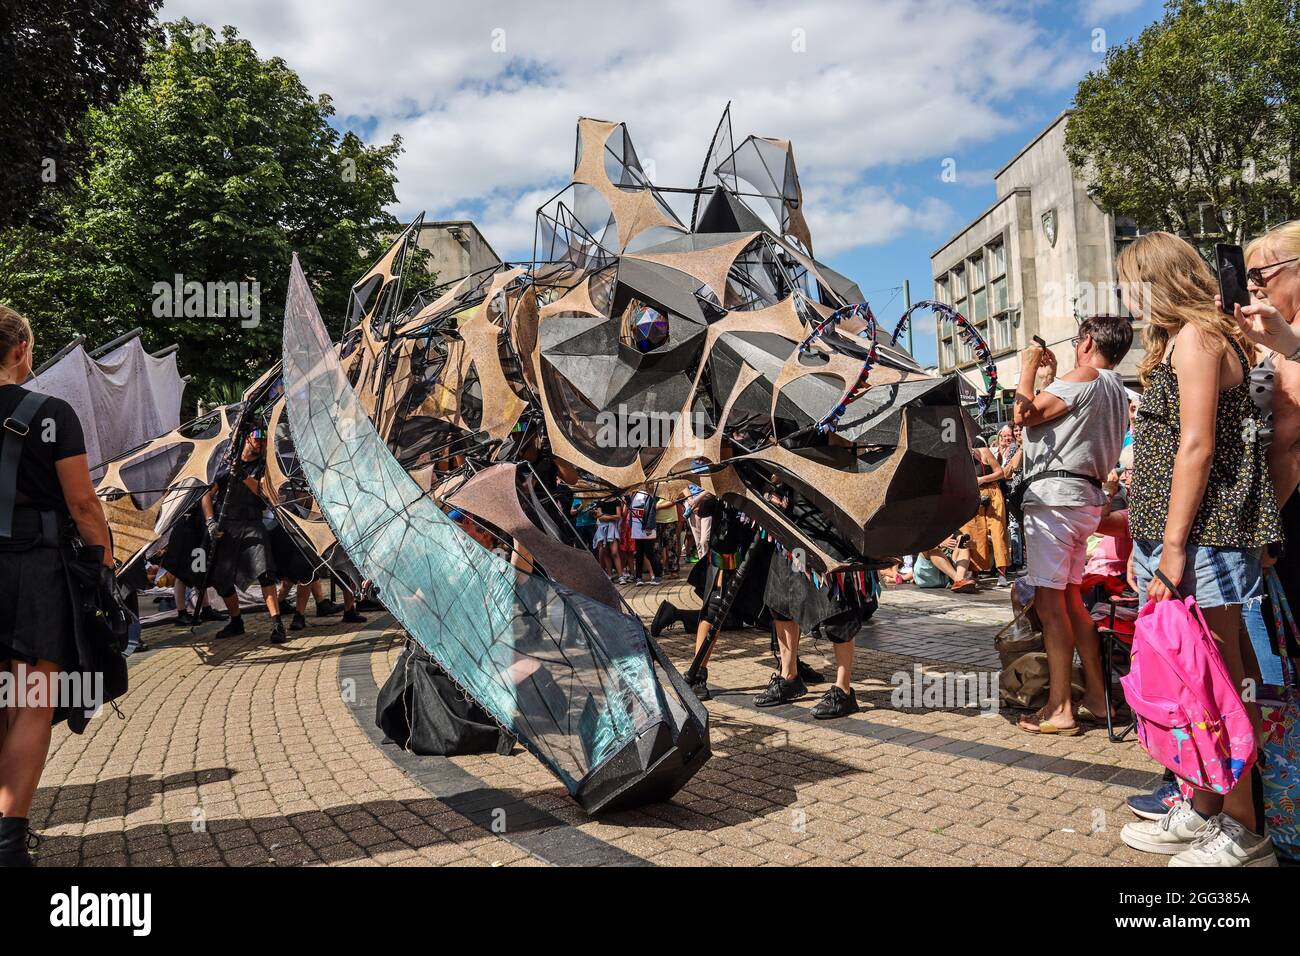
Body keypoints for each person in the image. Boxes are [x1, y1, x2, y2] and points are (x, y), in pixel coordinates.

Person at [1115, 232, 1280, 868]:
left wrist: (1174, 547)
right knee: (1193, 680)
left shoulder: (1199, 337)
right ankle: (1208, 806)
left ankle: (1243, 832)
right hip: (1186, 533)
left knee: (1214, 680)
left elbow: (1197, 445)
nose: (1127, 298)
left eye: (1133, 283)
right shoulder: (1189, 337)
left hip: (1203, 536)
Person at [0, 306, 115, 867]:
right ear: (20, 349)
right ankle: (9, 843)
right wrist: (105, 566)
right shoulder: (51, 413)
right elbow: (82, 503)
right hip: (34, 570)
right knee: (31, 700)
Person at [1012, 313, 1133, 738]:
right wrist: (1049, 378)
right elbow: (1064, 420)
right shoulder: (1117, 387)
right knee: (1072, 602)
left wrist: (1027, 367)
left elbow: (1023, 414)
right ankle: (1098, 700)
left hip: (1055, 502)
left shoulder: (1084, 373)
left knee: (1050, 606)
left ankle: (1060, 707)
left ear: (1086, 343)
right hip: (1085, 500)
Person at [204, 429, 287, 644]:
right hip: (227, 526)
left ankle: (277, 623)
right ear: (248, 438)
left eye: (264, 441)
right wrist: (210, 521)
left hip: (252, 524)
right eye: (258, 439)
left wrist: (243, 475)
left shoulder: (264, 466)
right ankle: (236, 621)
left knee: (265, 573)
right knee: (221, 579)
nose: (261, 444)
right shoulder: (224, 463)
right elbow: (206, 495)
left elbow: (262, 491)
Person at [961, 437, 1012, 587]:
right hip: (973, 495)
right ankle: (975, 571)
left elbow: (1000, 473)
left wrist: (982, 479)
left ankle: (1002, 572)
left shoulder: (983, 451)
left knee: (998, 531)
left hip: (992, 492)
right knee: (974, 532)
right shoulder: (960, 460)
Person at [626, 487, 662, 585]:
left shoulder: (649, 495)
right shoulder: (634, 494)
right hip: (637, 528)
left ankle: (658, 576)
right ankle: (639, 577)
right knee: (639, 554)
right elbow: (630, 508)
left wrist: (649, 527)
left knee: (650, 553)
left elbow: (652, 512)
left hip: (647, 529)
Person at [592, 495, 625, 581]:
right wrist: (612, 517)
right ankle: (610, 575)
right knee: (605, 552)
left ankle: (621, 575)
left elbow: (618, 516)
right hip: (603, 529)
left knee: (614, 552)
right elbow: (601, 518)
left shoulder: (616, 501)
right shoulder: (600, 502)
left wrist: (604, 515)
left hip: (612, 528)